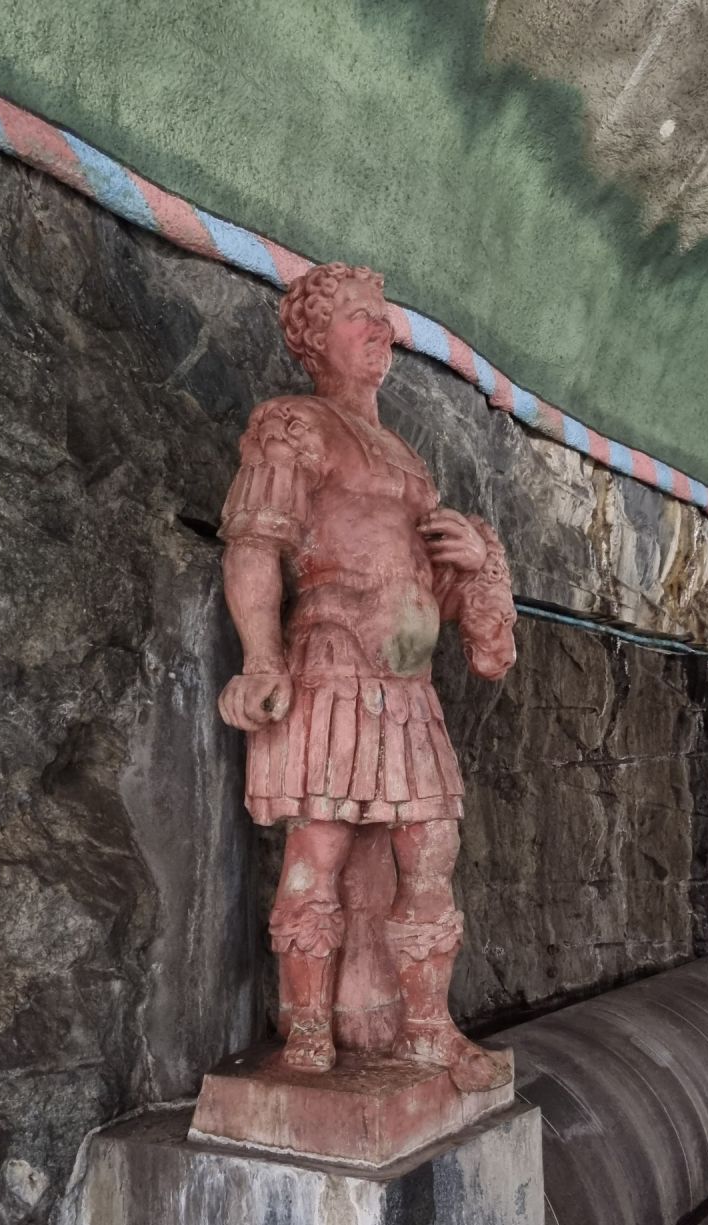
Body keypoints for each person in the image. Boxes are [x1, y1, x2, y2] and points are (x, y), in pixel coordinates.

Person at [217, 263, 517, 1091]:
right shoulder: (293, 425)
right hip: (332, 667)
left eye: (382, 317)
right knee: (317, 850)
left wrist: (477, 561)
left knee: (432, 852)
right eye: (359, 316)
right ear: (315, 338)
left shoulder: (410, 460)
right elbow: (256, 543)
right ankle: (310, 1031)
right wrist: (261, 657)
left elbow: (440, 592)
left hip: (410, 683)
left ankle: (427, 1029)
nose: (381, 330)